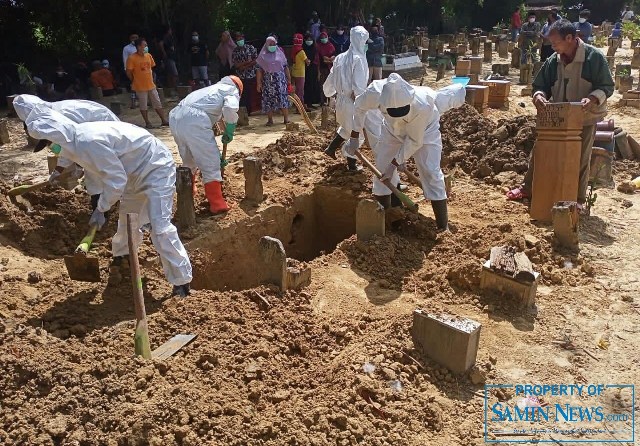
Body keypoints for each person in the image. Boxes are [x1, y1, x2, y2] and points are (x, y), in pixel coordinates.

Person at [25, 107, 192, 296]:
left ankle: (182, 283)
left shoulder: (88, 142)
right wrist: (59, 171)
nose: (51, 149)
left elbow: (116, 181)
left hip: (155, 167)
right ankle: (123, 258)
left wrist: (101, 208)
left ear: (57, 136)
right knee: (127, 221)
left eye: (50, 144)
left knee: (159, 226)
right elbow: (66, 155)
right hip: (132, 173)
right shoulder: (72, 138)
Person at [507, 20, 614, 207]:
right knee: (541, 150)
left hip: (584, 117)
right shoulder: (553, 61)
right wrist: (539, 96)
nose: (553, 46)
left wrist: (592, 98)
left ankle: (578, 199)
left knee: (580, 157)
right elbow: (540, 85)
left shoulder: (594, 57)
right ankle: (528, 188)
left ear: (570, 38)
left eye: (556, 43)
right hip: (556, 115)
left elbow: (607, 86)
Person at [348, 73, 466, 231]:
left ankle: (443, 227)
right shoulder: (375, 93)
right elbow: (359, 106)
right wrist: (354, 136)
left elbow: (415, 141)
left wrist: (397, 162)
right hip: (391, 131)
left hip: (426, 130)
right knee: (382, 173)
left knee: (430, 171)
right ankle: (388, 224)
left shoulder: (423, 104)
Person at [13, 94, 119, 218]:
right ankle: (106, 206)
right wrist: (58, 171)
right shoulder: (51, 114)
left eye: (47, 142)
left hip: (105, 132)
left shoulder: (58, 117)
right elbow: (69, 148)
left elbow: (70, 146)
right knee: (97, 173)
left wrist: (79, 165)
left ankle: (101, 213)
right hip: (94, 135)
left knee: (95, 178)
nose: (50, 146)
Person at [169, 76, 243, 215]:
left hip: (175, 117)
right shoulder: (231, 90)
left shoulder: (211, 90)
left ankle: (188, 192)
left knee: (189, 160)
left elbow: (217, 115)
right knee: (211, 162)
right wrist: (231, 128)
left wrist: (224, 131)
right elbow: (229, 109)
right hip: (194, 119)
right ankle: (217, 204)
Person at [322, 26, 369, 171]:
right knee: (357, 134)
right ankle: (352, 164)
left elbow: (330, 81)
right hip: (352, 101)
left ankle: (331, 149)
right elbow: (359, 87)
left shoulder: (340, 58)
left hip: (340, 101)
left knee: (346, 128)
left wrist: (330, 94)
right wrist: (363, 104)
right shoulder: (359, 60)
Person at [126, 38, 169, 129]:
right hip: (140, 86)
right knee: (143, 105)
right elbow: (129, 72)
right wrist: (133, 80)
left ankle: (164, 120)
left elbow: (151, 69)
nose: (146, 47)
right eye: (144, 45)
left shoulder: (148, 55)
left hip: (151, 85)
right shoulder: (131, 58)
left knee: (157, 103)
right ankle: (147, 122)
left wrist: (153, 79)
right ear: (138, 47)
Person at [256, 36, 292, 126]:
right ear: (267, 45)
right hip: (268, 81)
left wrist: (289, 79)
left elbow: (285, 67)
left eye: (274, 44)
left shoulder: (280, 54)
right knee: (268, 100)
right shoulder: (262, 56)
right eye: (270, 44)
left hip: (280, 80)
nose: (272, 45)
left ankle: (286, 119)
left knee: (282, 98)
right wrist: (258, 83)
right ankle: (270, 120)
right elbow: (259, 70)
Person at [232, 32, 259, 115]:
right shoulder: (235, 51)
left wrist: (245, 65)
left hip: (251, 75)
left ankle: (251, 111)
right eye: (238, 39)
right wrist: (246, 63)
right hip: (241, 76)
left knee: (251, 94)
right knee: (243, 94)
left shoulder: (250, 48)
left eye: (241, 38)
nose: (240, 40)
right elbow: (236, 64)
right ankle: (244, 111)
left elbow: (256, 60)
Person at [291, 33, 310, 109]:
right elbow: (307, 61)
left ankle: (296, 106)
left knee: (296, 91)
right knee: (300, 91)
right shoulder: (301, 51)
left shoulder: (293, 50)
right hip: (301, 73)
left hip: (294, 72)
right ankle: (300, 107)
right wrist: (309, 61)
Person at [316, 32, 335, 105]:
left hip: (330, 69)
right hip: (322, 69)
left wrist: (331, 58)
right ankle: (322, 101)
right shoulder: (319, 47)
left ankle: (331, 101)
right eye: (322, 38)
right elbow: (321, 58)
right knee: (322, 85)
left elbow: (333, 55)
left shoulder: (331, 46)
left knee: (330, 85)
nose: (324, 39)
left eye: (325, 37)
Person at [303, 32, 321, 109]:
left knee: (313, 85)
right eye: (307, 39)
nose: (309, 41)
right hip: (305, 69)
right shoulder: (303, 49)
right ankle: (306, 102)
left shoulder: (315, 48)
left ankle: (312, 102)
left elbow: (317, 59)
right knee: (306, 86)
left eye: (310, 39)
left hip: (313, 68)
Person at [159, 27, 178, 92]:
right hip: (169, 57)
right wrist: (164, 53)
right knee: (174, 73)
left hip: (172, 57)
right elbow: (161, 44)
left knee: (169, 73)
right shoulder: (166, 37)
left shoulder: (170, 38)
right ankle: (173, 87)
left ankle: (170, 89)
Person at [122, 33, 139, 108]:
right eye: (133, 38)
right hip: (132, 69)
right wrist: (126, 69)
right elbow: (125, 59)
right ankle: (133, 102)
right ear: (130, 39)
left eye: (136, 37)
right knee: (133, 86)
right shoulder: (126, 48)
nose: (134, 39)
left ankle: (146, 101)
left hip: (142, 69)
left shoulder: (142, 47)